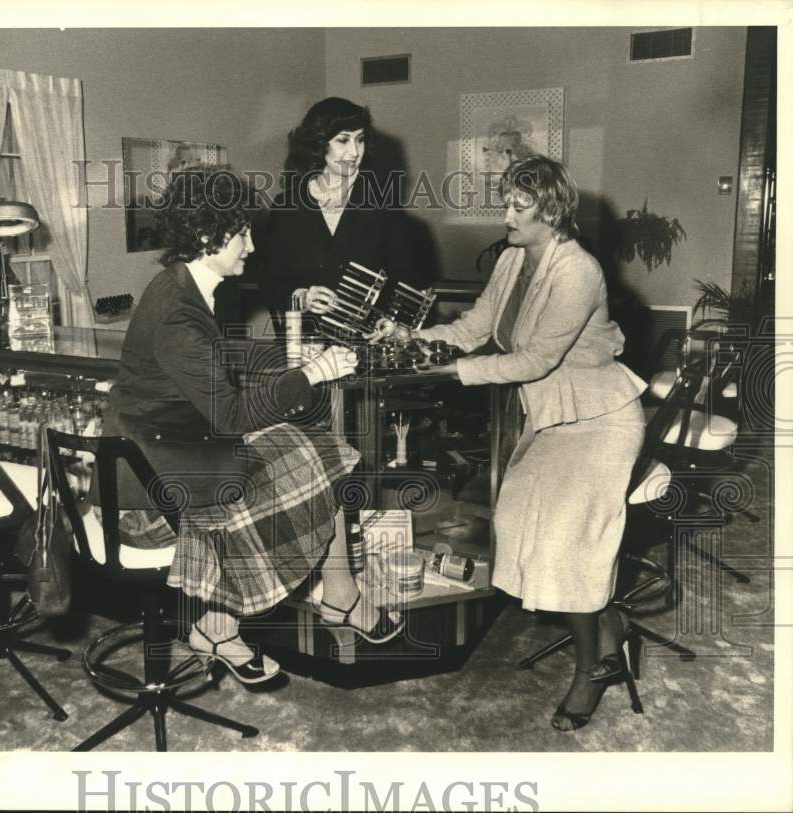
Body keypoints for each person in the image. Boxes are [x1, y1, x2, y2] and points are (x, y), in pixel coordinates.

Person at [103, 166, 402, 685]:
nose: (250, 242)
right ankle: (234, 623)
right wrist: (312, 372)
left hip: (167, 450)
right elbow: (233, 415)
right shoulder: (178, 311)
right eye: (239, 230)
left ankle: (333, 595)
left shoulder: (182, 286)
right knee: (314, 459)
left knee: (319, 448)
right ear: (204, 237)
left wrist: (286, 363)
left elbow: (209, 369)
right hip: (148, 490)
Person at [414, 156, 648, 731]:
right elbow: (475, 326)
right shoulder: (515, 258)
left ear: (552, 211)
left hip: (600, 421)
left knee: (567, 549)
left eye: (519, 205)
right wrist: (416, 339)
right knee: (517, 524)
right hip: (553, 418)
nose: (506, 214)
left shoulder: (578, 271)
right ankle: (610, 623)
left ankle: (591, 671)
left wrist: (454, 373)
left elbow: (537, 359)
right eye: (507, 201)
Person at [261, 96, 419, 321]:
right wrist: (302, 297)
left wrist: (389, 320)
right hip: (307, 340)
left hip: (364, 340)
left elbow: (405, 282)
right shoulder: (287, 206)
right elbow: (270, 281)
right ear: (319, 144)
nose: (355, 152)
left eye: (360, 139)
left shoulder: (383, 207)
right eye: (343, 140)